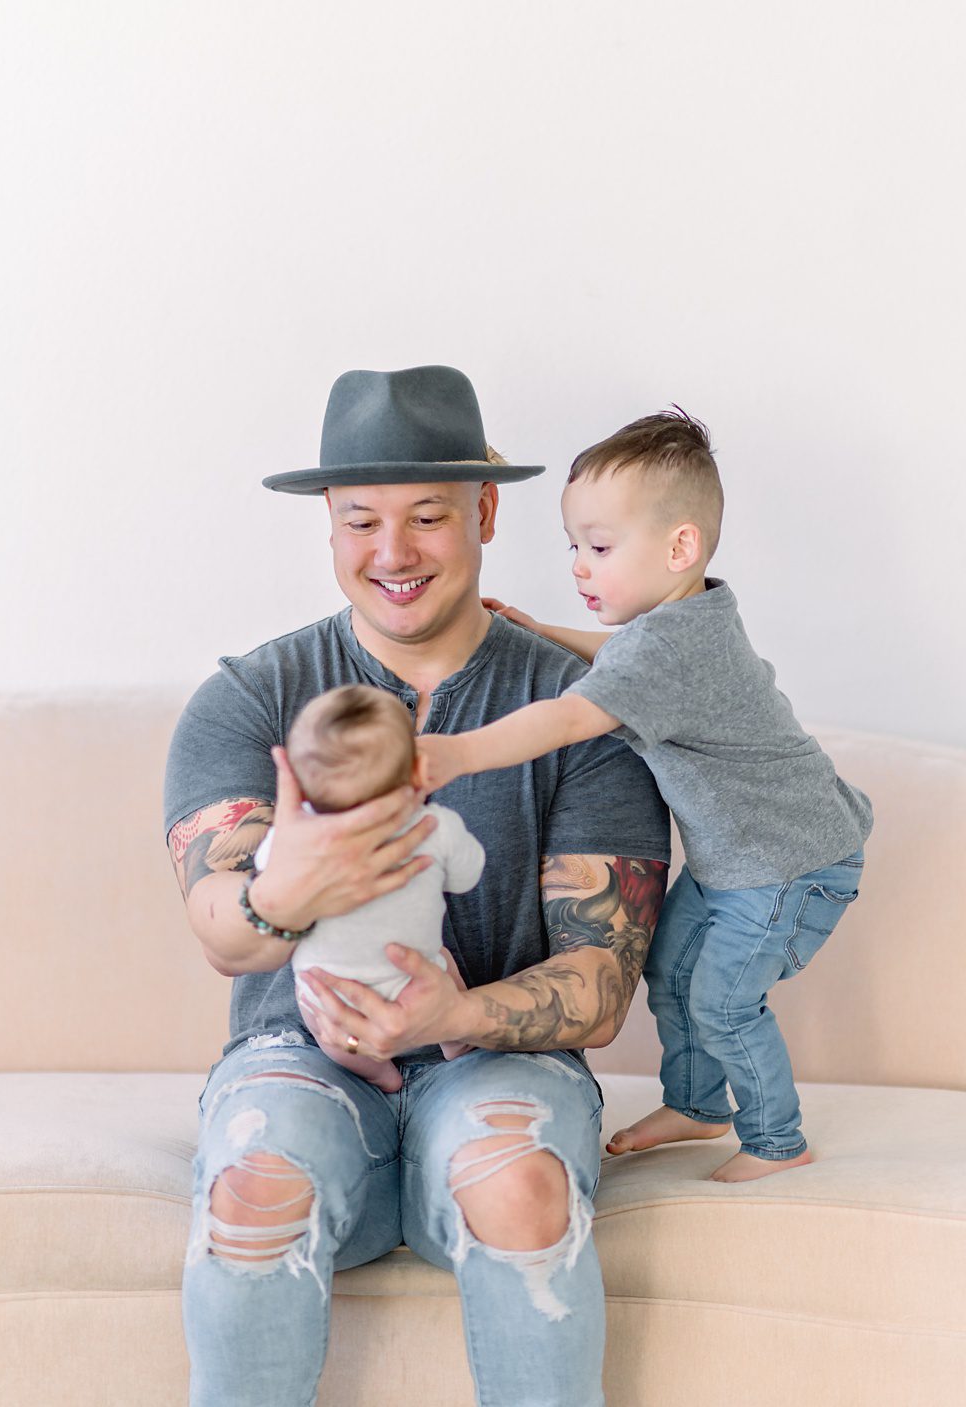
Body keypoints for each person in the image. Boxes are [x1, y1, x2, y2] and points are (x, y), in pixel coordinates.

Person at [164, 365, 670, 1407]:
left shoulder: (576, 707)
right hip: (292, 1060)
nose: (390, 554)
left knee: (516, 1181)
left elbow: (600, 978)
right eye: (359, 521)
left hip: (498, 1059)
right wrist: (282, 889)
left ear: (484, 513)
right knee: (253, 1189)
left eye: (427, 516)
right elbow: (220, 929)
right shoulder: (250, 698)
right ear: (330, 527)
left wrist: (457, 1012)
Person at [418, 408, 871, 1181]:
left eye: (598, 547)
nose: (578, 566)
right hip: (740, 863)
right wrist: (545, 629)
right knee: (671, 963)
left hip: (793, 865)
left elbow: (571, 715)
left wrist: (456, 751)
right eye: (573, 547)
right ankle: (698, 1103)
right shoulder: (688, 616)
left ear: (679, 546)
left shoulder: (674, 645)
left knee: (724, 1000)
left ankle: (776, 1138)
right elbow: (626, 657)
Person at [253, 683, 485, 1091]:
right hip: (415, 975)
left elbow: (264, 866)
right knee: (443, 960)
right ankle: (457, 1042)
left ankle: (379, 1075)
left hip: (329, 991)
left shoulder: (296, 837)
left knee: (318, 1017)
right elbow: (467, 877)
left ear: (298, 780)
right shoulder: (435, 825)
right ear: (417, 769)